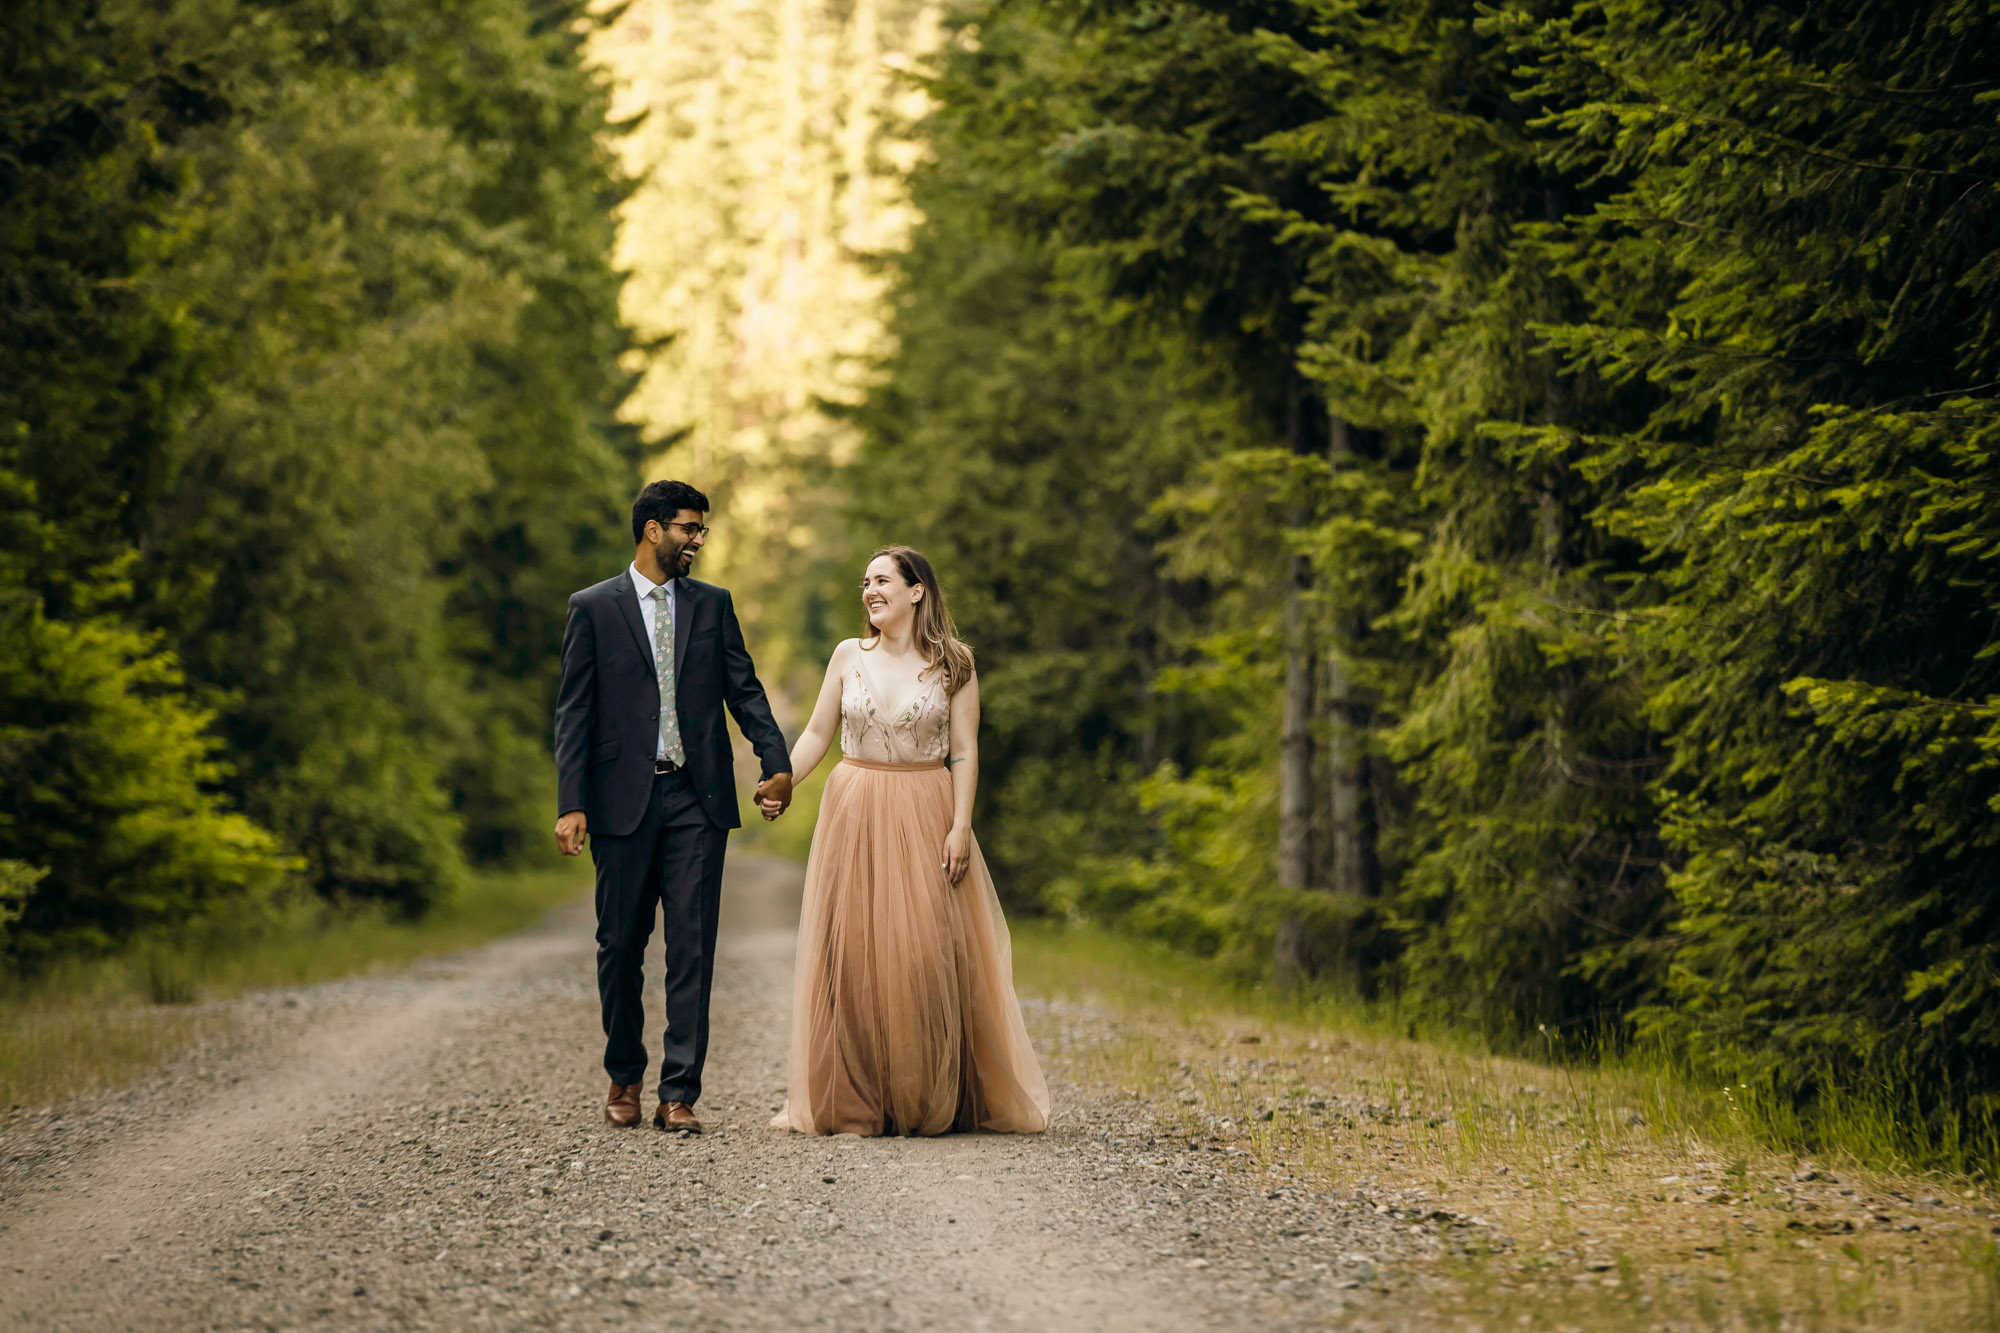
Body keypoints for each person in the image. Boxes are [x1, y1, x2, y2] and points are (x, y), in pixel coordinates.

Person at [768, 546, 1050, 1136]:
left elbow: (966, 749)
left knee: (924, 951)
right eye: (864, 582)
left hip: (927, 804)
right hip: (854, 804)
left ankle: (931, 1089)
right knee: (854, 955)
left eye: (882, 580)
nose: (870, 591)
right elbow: (820, 729)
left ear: (916, 590)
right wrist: (785, 782)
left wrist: (961, 825)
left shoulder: (955, 664)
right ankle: (857, 1098)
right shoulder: (849, 655)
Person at [552, 480, 793, 1133]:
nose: (698, 540)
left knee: (692, 947)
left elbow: (744, 690)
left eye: (701, 529)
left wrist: (777, 761)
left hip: (696, 795)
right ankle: (624, 1074)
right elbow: (574, 713)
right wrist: (571, 802)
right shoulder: (594, 608)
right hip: (619, 802)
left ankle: (678, 1091)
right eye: (689, 528)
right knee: (619, 943)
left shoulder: (713, 606)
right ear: (653, 529)